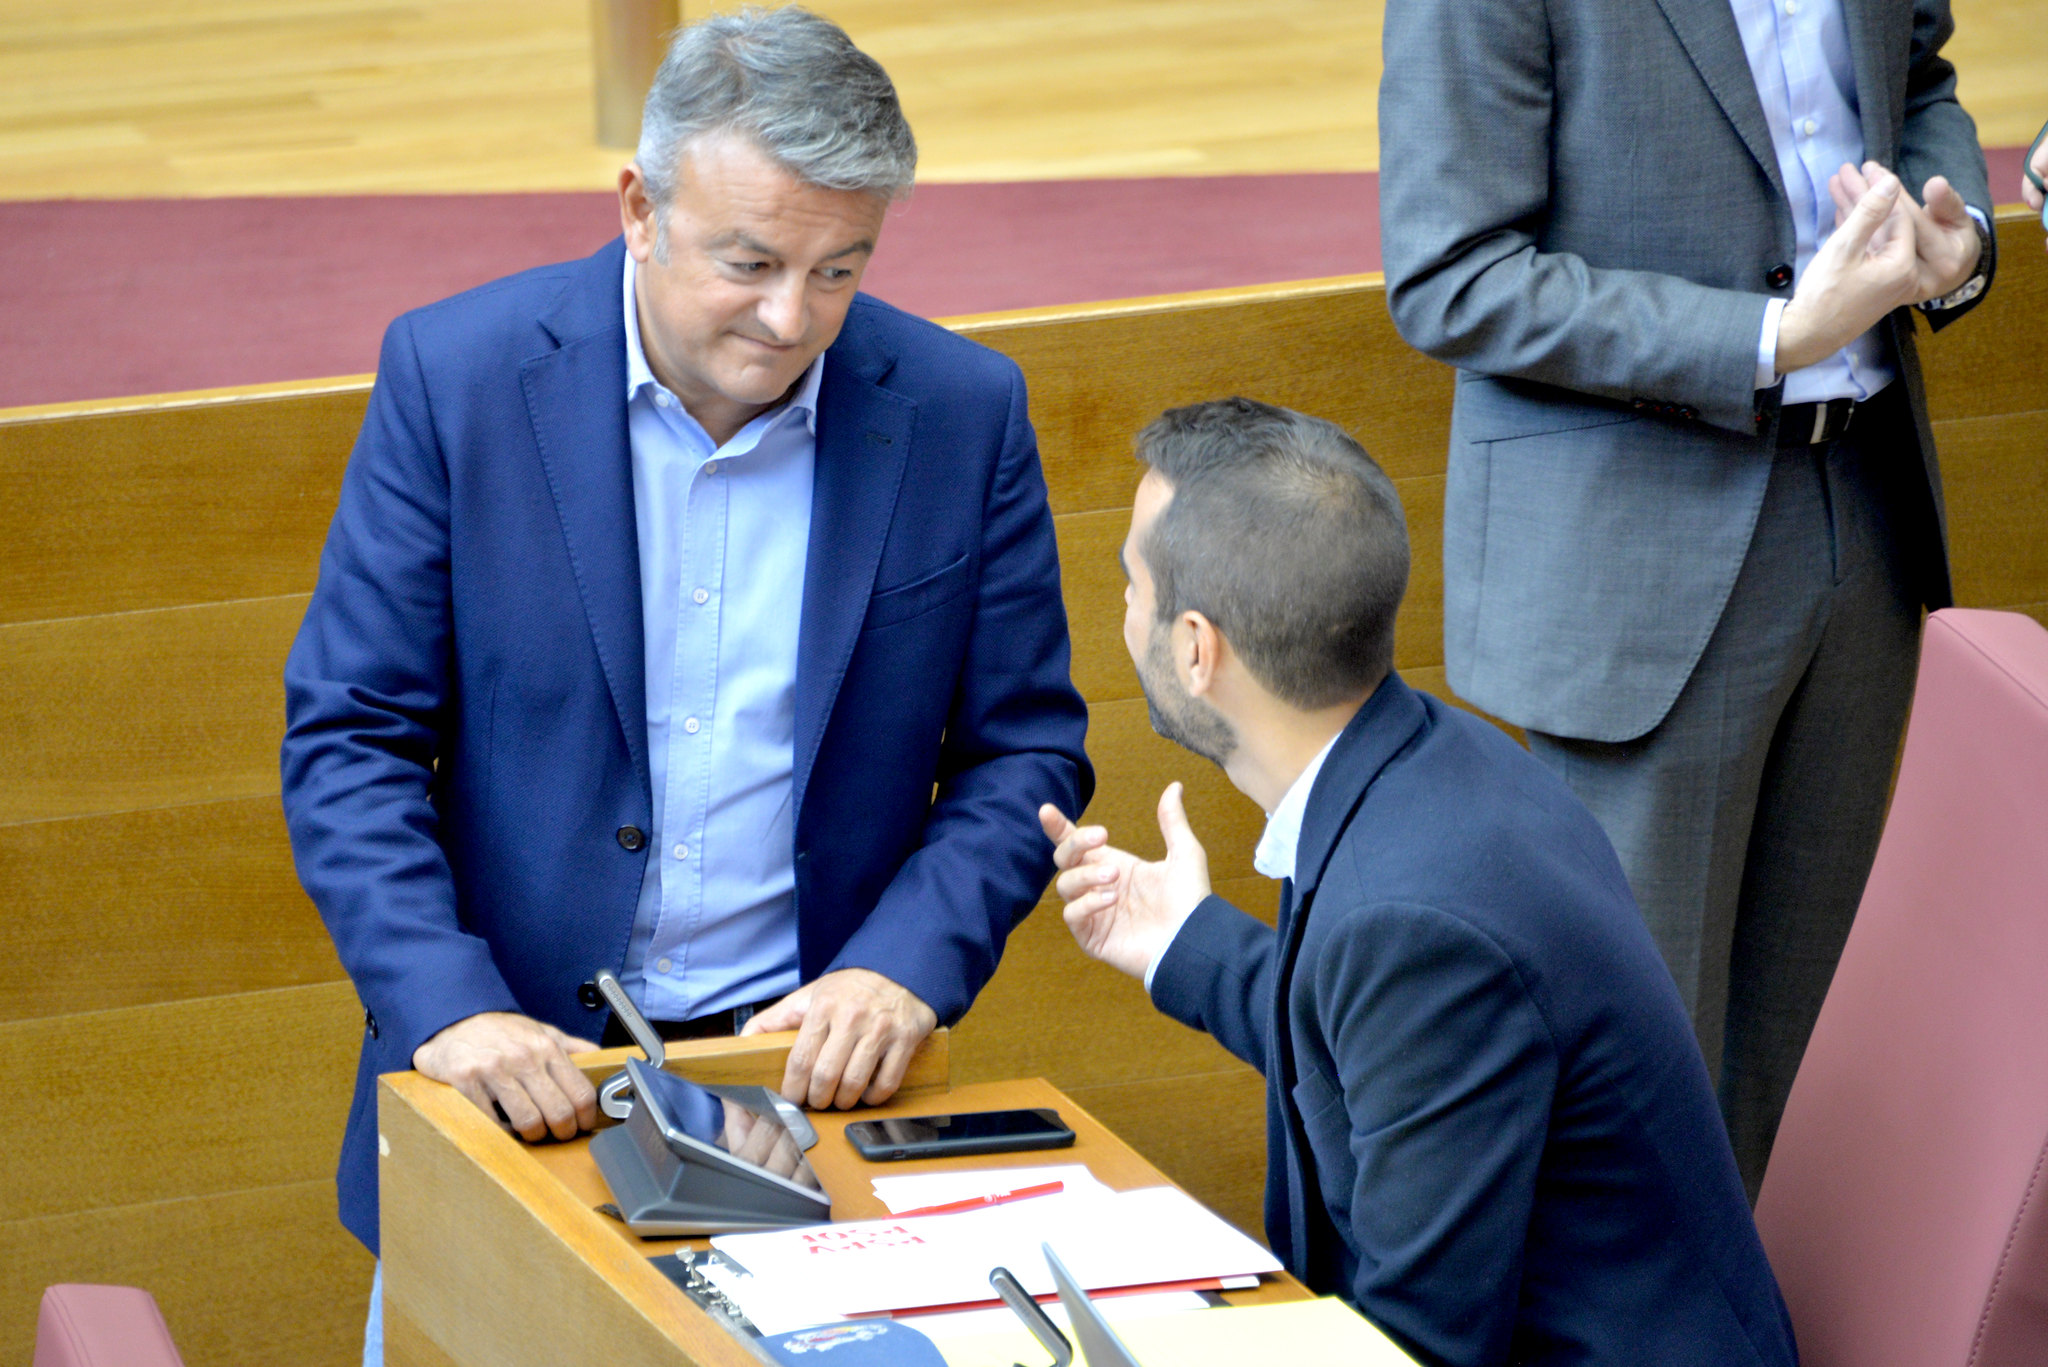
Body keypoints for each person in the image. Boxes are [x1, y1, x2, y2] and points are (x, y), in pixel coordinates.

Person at [279, 3, 1092, 1340]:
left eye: (842, 269)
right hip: (514, 1074)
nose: (792, 318)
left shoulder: (961, 409)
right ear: (639, 209)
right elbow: (351, 733)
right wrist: (448, 1003)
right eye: (752, 260)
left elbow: (1024, 754)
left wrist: (904, 964)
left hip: (803, 1087)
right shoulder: (458, 377)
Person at [1377, 0, 1996, 1193]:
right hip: (1636, 565)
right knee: (1628, 1094)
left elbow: (1915, 77)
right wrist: (1767, 335)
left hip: (1859, 517)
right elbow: (1452, 274)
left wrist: (1955, 229)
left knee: (1803, 1068)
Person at [1040, 398, 1795, 1367]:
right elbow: (1388, 1049)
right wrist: (1184, 942)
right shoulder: (1438, 762)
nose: (1122, 610)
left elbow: (1414, 1343)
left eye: (1130, 584)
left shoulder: (1414, 916)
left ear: (1195, 646)